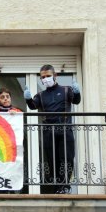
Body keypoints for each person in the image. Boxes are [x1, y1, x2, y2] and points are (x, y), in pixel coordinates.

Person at [24, 64, 81, 194]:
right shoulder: (40, 95)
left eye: (48, 76)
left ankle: (65, 186)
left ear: (55, 76)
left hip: (65, 129)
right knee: (51, 160)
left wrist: (77, 92)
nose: (46, 79)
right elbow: (33, 106)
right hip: (48, 131)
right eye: (43, 77)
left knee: (66, 158)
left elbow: (76, 101)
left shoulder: (66, 90)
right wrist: (28, 99)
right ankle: (56, 187)